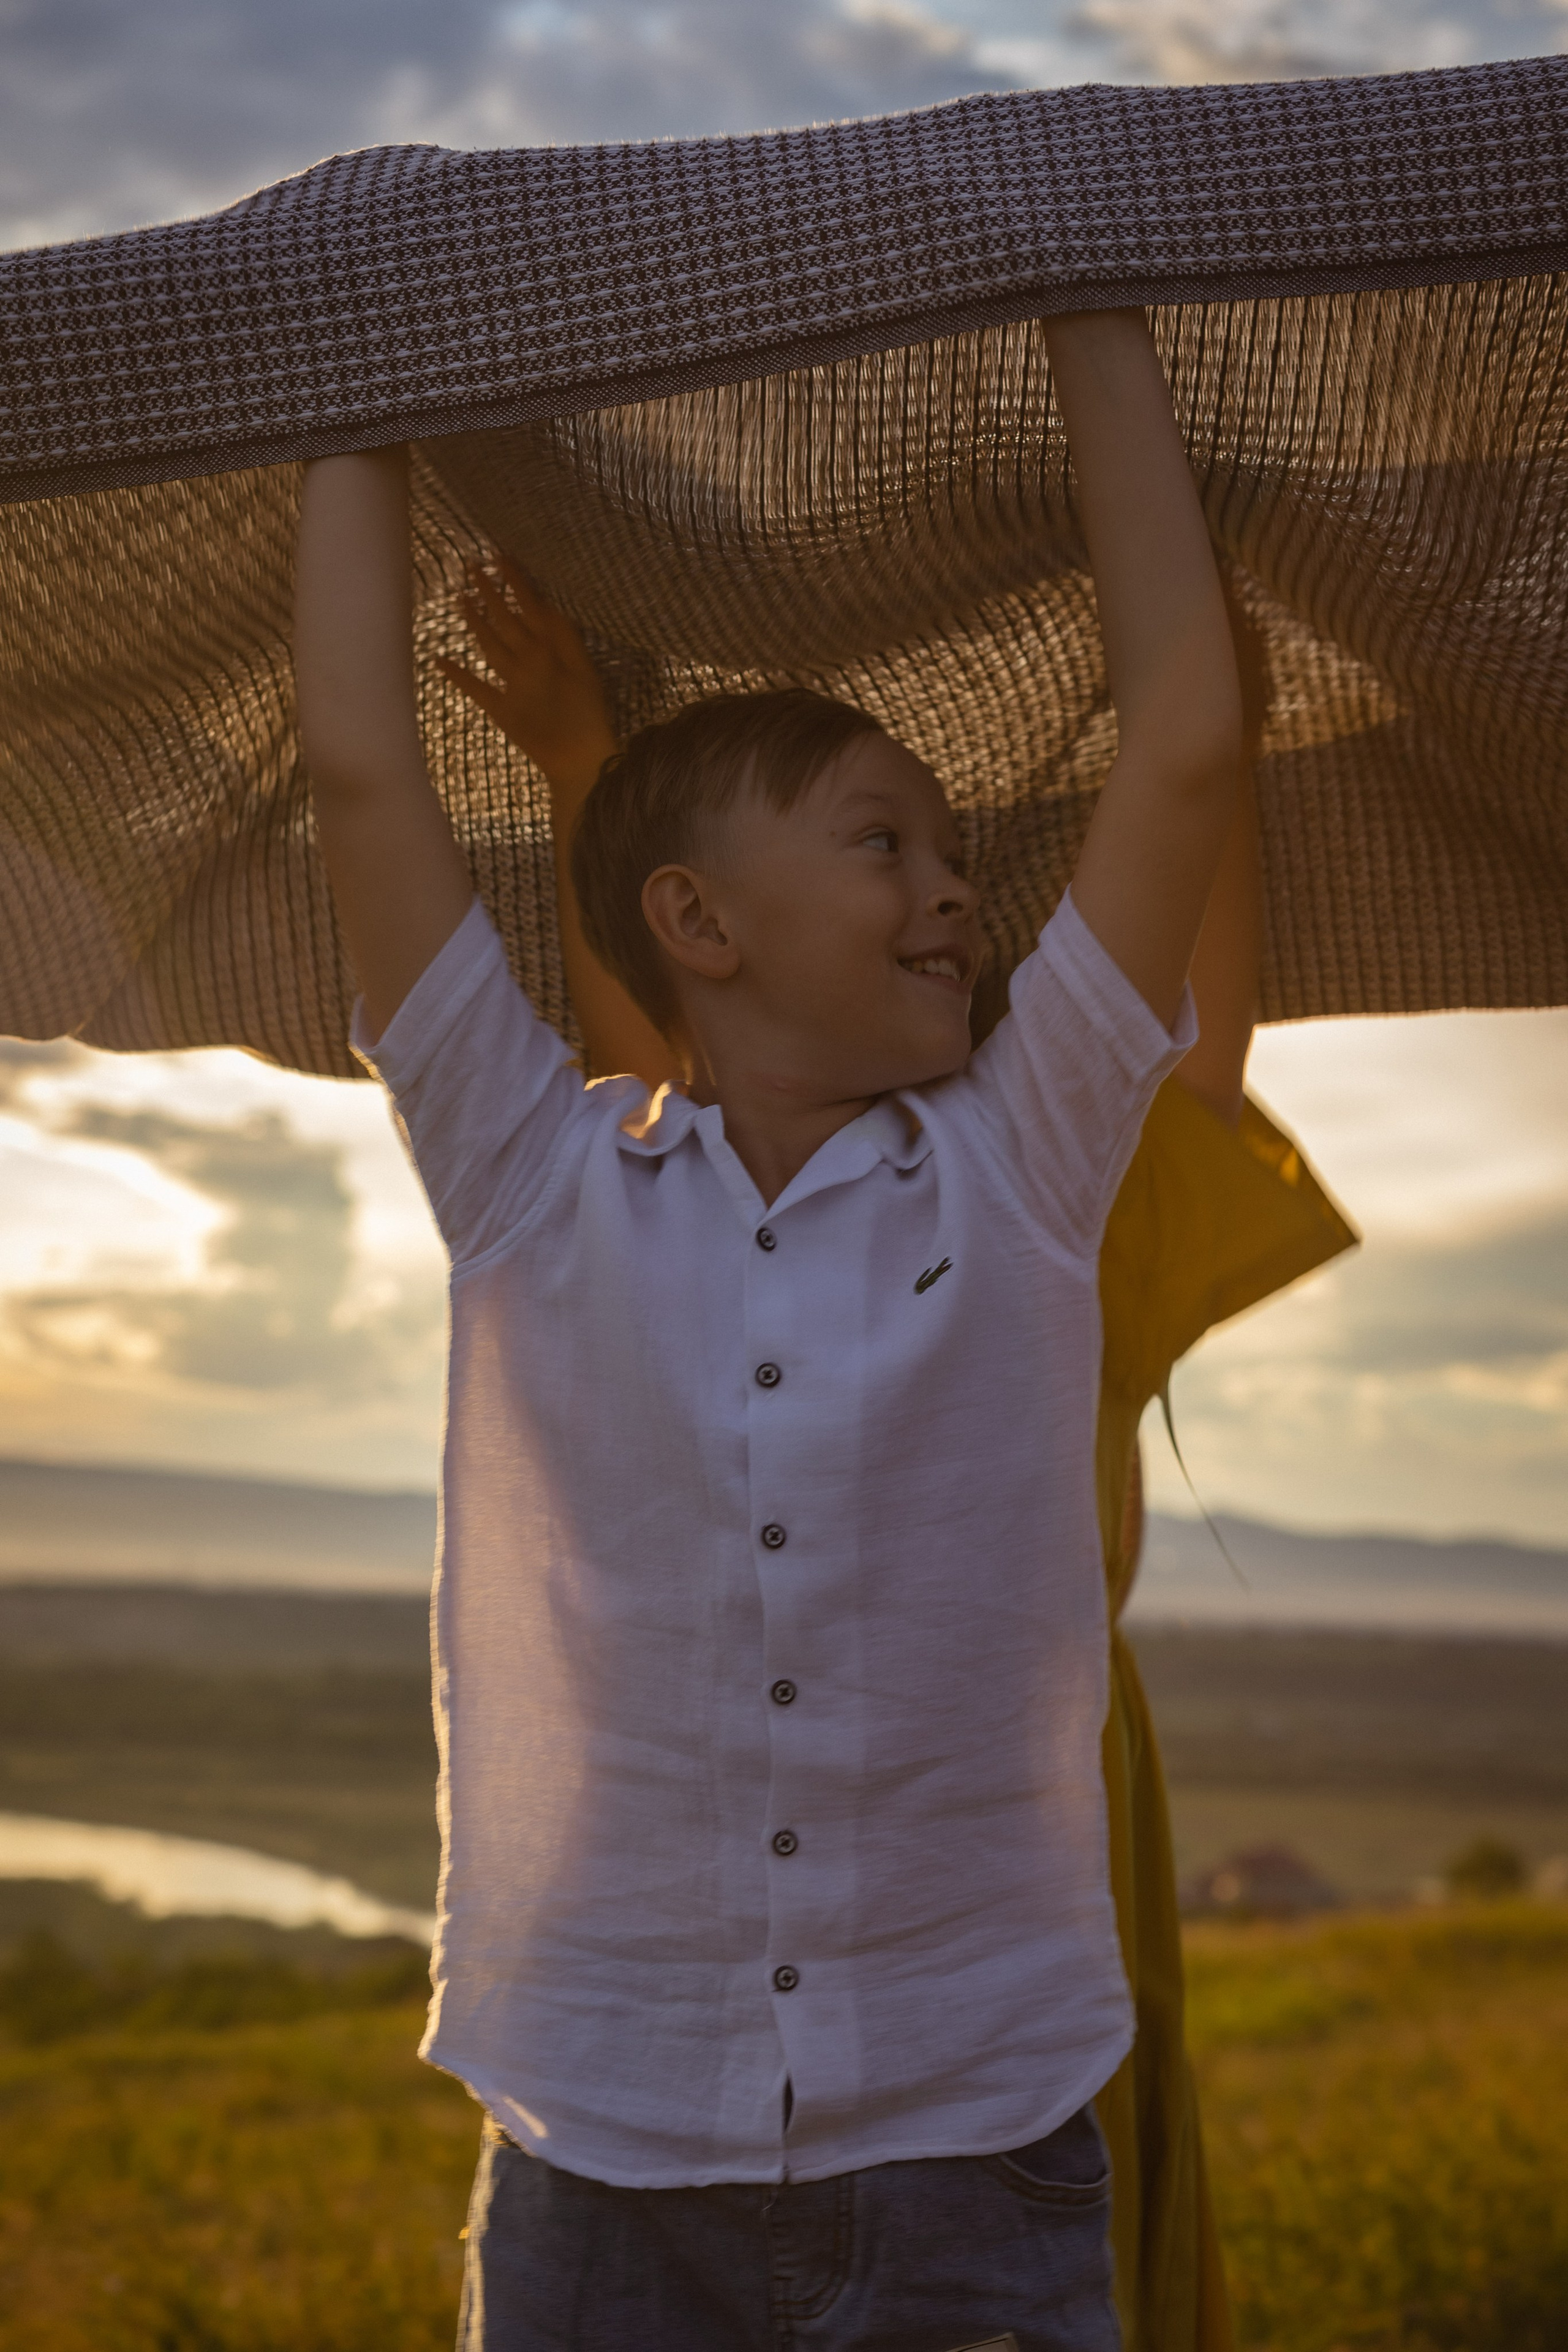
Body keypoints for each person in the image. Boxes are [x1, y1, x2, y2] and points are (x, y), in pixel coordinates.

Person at [293, 309, 1246, 2351]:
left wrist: (1093, 292)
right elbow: (364, 768)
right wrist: (341, 366)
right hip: (602, 2157)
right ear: (696, 927)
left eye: (959, 857)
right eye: (883, 841)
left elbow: (1184, 738)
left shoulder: (1023, 1166)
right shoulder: (534, 1182)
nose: (955, 892)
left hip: (975, 2148)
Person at [440, 564, 1357, 2352]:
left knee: (1057, 2181)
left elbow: (1199, 1021)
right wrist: (583, 770)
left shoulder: (1047, 1194)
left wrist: (1207, 732)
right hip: (750, 1837)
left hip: (1001, 1815)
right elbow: (665, 1057)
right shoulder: (710, 1202)